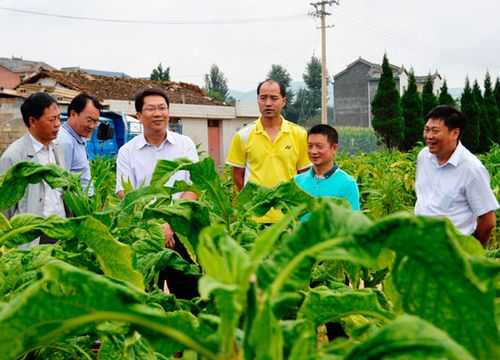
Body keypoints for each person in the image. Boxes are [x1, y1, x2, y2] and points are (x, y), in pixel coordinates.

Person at [115, 87, 198, 297]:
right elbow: (125, 195)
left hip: (182, 232)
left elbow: (194, 187)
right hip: (145, 235)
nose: (158, 113)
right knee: (147, 296)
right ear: (139, 116)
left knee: (189, 295)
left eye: (162, 108)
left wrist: (170, 223)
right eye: (151, 109)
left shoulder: (184, 145)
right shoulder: (127, 152)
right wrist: (155, 227)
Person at [226, 79, 310, 223]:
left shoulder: (299, 135)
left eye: (274, 98)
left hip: (289, 216)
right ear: (258, 100)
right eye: (263, 98)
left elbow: (305, 175)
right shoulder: (243, 136)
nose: (268, 103)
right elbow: (237, 175)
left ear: (284, 101)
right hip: (254, 218)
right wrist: (253, 201)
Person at [415, 105, 499, 246]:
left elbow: (488, 220)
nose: (429, 136)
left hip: (452, 251)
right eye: (427, 130)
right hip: (421, 246)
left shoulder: (471, 169)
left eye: (435, 131)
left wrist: (470, 253)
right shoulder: (423, 156)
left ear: (455, 133)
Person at [0, 92, 66, 247]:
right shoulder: (14, 156)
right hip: (34, 237)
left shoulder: (57, 149)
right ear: (33, 121)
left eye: (58, 118)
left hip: (60, 230)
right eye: (51, 119)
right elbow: (4, 208)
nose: (57, 124)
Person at [295, 124, 360, 210]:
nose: (313, 151)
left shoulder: (347, 184)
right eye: (310, 146)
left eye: (319, 146)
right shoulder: (298, 181)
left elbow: (353, 220)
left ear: (334, 148)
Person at [58, 93, 101, 193]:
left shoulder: (78, 138)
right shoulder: (64, 141)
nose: (92, 126)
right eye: (89, 120)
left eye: (96, 122)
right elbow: (62, 183)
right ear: (73, 114)